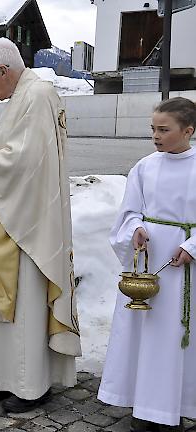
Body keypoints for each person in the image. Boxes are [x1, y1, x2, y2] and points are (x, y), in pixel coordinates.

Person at [0, 38, 81, 413]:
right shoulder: (24, 96)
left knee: (25, 303)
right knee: (3, 303)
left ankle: (30, 385)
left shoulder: (38, 95)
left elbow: (27, 164)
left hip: (29, 226)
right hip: (14, 218)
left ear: (3, 71)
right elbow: (18, 155)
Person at [98, 97, 196, 432]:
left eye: (164, 129)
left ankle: (176, 407)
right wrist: (135, 229)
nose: (155, 135)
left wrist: (192, 246)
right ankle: (145, 405)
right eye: (152, 128)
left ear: (188, 130)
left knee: (177, 338)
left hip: (185, 269)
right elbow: (129, 212)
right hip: (151, 264)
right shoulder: (144, 167)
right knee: (147, 335)